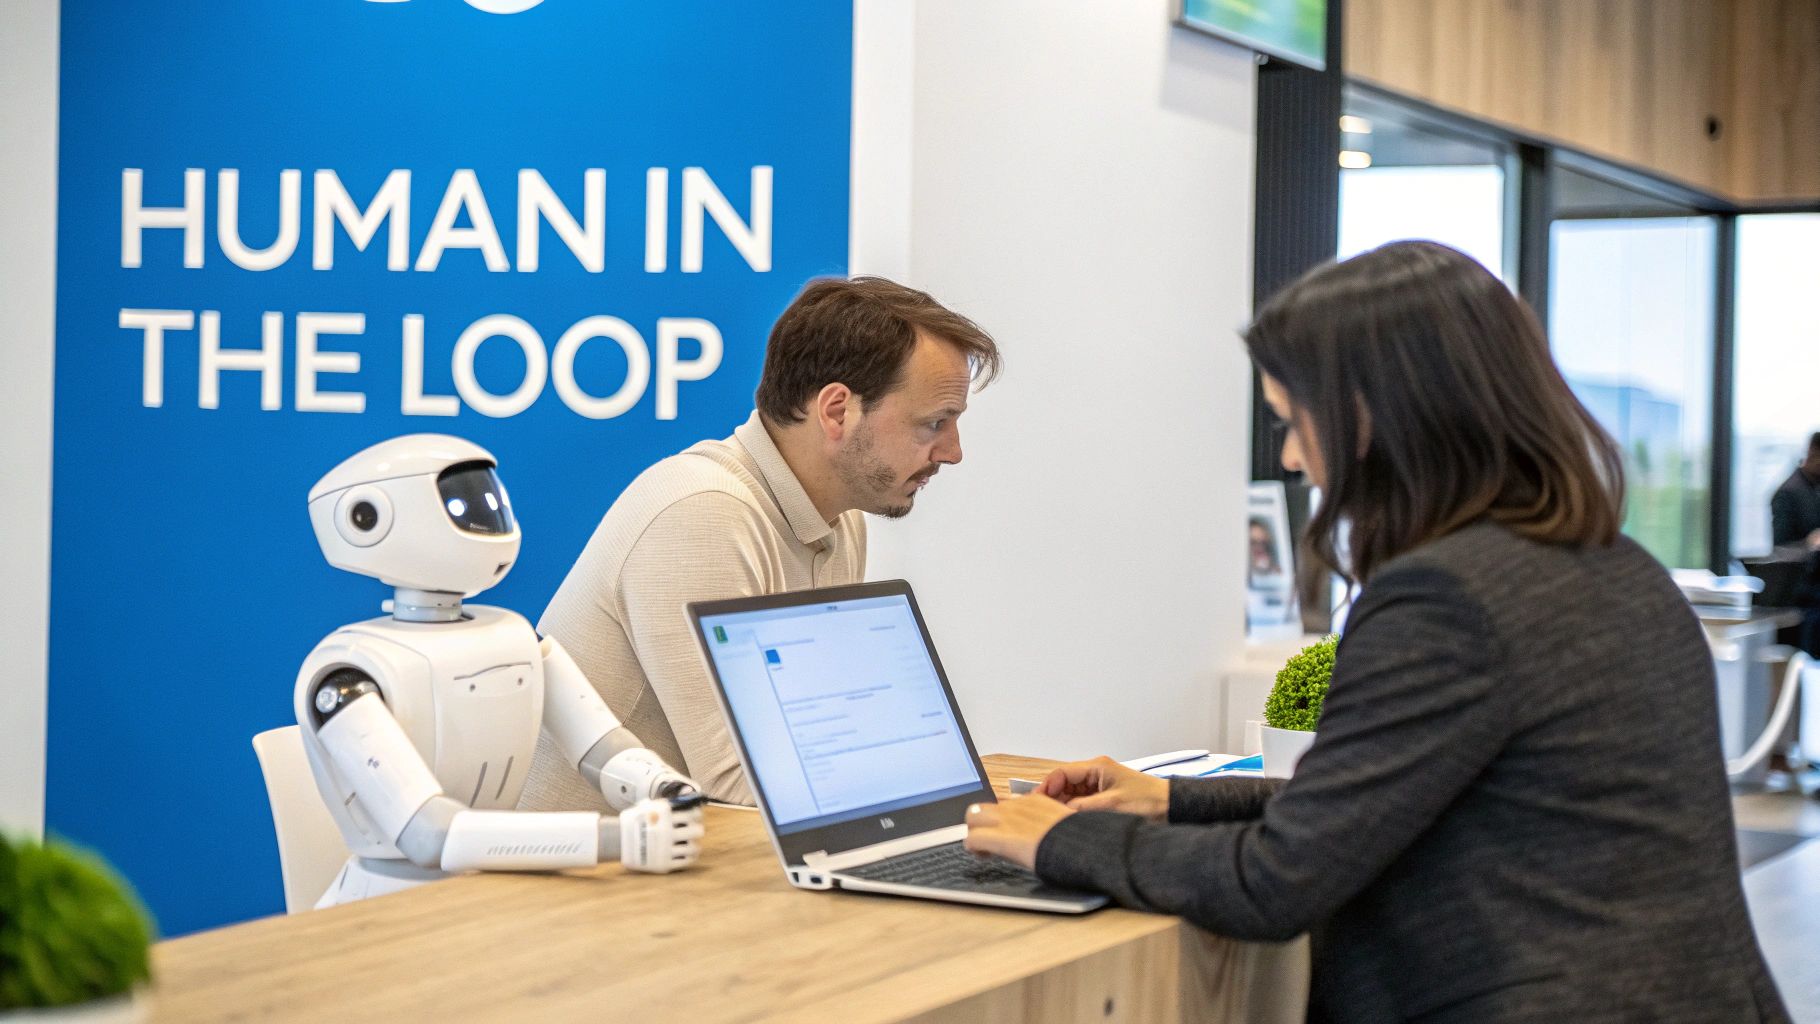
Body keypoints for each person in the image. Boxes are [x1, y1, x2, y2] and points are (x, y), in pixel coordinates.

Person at [964, 242, 1789, 1022]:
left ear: (1368, 416)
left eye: (1294, 421)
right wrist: (1170, 799)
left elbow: (1276, 881)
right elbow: (1389, 802)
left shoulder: (1448, 598)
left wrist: (1069, 839)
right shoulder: (1611, 566)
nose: (1290, 458)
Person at [518, 276, 1000, 807]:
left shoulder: (839, 520)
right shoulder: (701, 513)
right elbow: (737, 785)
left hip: (694, 862)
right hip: (590, 880)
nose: (952, 452)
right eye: (934, 423)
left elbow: (820, 750)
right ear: (837, 410)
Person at [1771, 432, 1820, 656]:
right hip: (1802, 598)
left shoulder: (1813, 489)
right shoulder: (1789, 493)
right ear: (1813, 454)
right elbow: (1779, 549)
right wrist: (1810, 542)